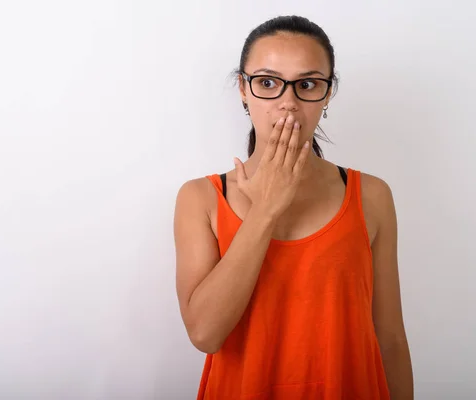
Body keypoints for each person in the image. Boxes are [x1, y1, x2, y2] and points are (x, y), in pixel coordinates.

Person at [173, 15, 413, 399]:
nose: (288, 102)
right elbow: (205, 333)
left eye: (307, 84)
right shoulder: (200, 198)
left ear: (327, 92)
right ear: (243, 90)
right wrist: (266, 209)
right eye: (267, 83)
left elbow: (391, 339)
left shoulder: (371, 195)